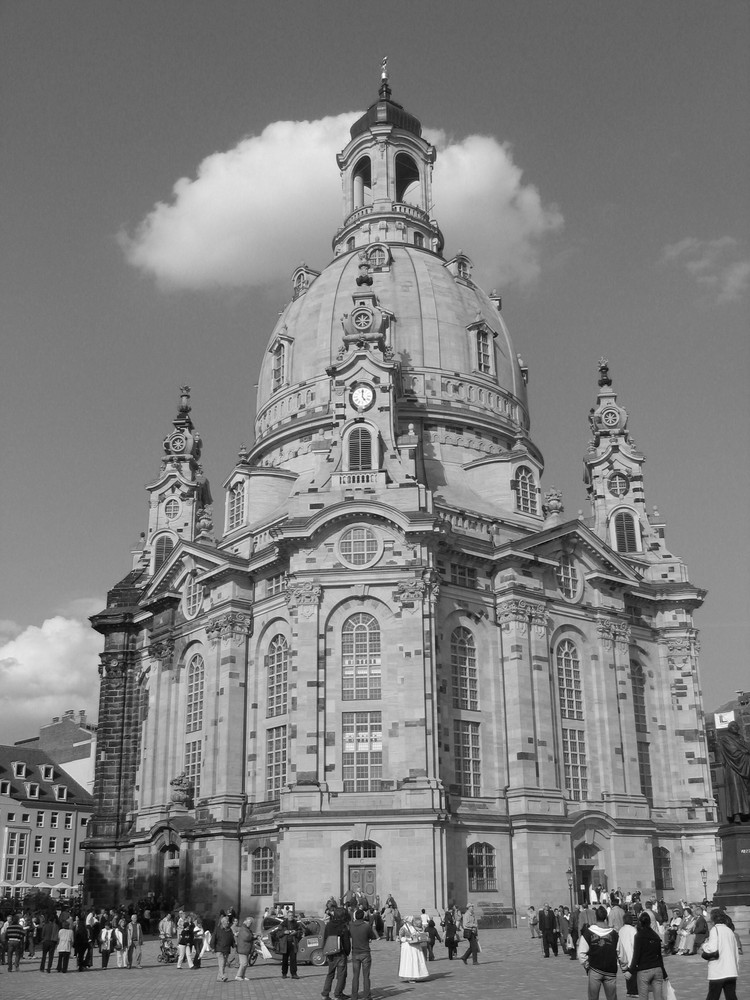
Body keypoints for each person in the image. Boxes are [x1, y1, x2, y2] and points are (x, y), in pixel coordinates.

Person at [578, 905, 619, 1000]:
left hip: (595, 969)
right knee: (612, 997)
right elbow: (619, 951)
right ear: (606, 917)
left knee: (593, 997)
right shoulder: (614, 934)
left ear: (596, 917)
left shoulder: (588, 933)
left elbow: (581, 953)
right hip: (610, 970)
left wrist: (586, 965)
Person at [627, 911, 668, 1000]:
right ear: (650, 922)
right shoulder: (656, 936)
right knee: (659, 998)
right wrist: (664, 973)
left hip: (644, 970)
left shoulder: (639, 936)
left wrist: (631, 970)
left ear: (640, 922)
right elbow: (659, 956)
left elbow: (636, 955)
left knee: (644, 997)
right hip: (657, 969)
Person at [701, 908, 740, 1000]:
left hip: (718, 970)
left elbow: (712, 948)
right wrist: (736, 968)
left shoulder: (715, 929)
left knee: (713, 996)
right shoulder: (729, 931)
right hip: (731, 970)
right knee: (731, 996)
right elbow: (735, 952)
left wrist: (704, 945)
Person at [717, 721, 750, 822]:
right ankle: (736, 814)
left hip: (745, 767)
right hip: (733, 768)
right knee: (735, 791)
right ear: (729, 728)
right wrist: (744, 752)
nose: (735, 727)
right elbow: (733, 752)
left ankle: (746, 813)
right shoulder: (726, 739)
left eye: (736, 725)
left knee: (745, 791)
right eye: (732, 726)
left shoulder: (741, 738)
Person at [321, 905, 351, 999]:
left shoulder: (329, 924)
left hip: (330, 952)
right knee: (341, 974)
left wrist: (325, 950)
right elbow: (346, 942)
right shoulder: (343, 927)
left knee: (330, 973)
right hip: (340, 953)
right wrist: (347, 952)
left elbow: (325, 938)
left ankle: (325, 994)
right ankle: (338, 994)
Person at [350, 907, 378, 1000]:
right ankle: (367, 996)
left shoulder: (351, 925)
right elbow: (372, 936)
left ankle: (354, 996)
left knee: (355, 976)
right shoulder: (366, 926)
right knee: (366, 976)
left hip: (355, 952)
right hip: (365, 952)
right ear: (363, 916)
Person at [398, 914, 429, 982]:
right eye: (411, 920)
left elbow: (418, 931)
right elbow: (400, 937)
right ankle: (410, 976)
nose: (412, 921)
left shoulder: (413, 927)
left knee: (416, 960)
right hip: (408, 946)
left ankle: (417, 975)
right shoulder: (403, 928)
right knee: (410, 961)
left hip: (415, 945)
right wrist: (407, 939)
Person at [617, 910, 638, 997]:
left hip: (623, 954)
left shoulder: (621, 930)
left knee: (627, 973)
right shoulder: (633, 930)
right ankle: (634, 991)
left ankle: (629, 990)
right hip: (632, 953)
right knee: (634, 973)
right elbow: (635, 942)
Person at [277, 912, 301, 979]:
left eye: (292, 916)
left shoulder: (296, 924)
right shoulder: (283, 924)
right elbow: (278, 934)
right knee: (285, 959)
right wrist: (284, 932)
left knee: (293, 959)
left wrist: (296, 933)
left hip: (293, 943)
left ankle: (294, 974)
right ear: (287, 916)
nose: (291, 917)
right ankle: (284, 973)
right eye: (289, 915)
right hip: (285, 944)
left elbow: (300, 932)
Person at [214, 914, 235, 982]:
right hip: (219, 949)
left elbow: (231, 938)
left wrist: (233, 944)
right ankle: (223, 976)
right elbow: (213, 938)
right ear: (223, 922)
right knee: (221, 963)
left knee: (223, 964)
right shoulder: (218, 929)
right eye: (227, 921)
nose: (228, 922)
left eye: (228, 921)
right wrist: (212, 947)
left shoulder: (229, 930)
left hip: (226, 949)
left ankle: (219, 977)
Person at [235, 916, 255, 981]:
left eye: (251, 923)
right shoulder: (243, 928)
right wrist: (253, 936)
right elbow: (247, 937)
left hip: (245, 948)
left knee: (245, 964)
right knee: (244, 963)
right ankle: (238, 975)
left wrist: (254, 936)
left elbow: (249, 935)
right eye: (250, 922)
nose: (250, 924)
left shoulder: (246, 928)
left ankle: (243, 976)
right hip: (242, 948)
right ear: (246, 922)